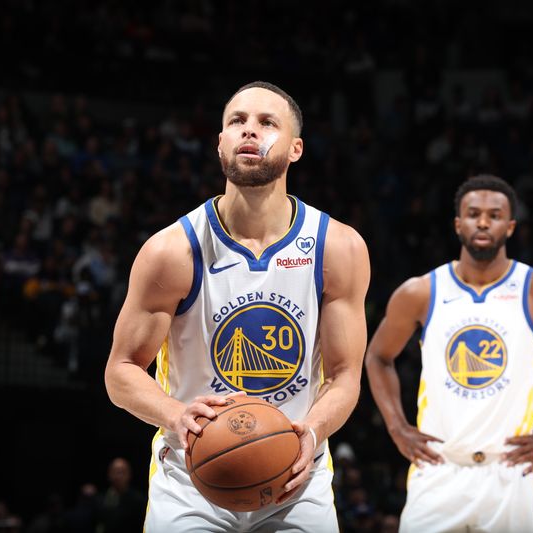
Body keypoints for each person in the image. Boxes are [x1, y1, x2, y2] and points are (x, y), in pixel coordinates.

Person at [104, 81, 370, 532]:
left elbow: (345, 377)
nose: (250, 131)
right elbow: (121, 371)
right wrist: (177, 414)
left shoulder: (337, 247)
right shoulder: (171, 251)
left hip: (296, 470)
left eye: (267, 123)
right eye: (237, 122)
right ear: (220, 143)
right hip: (192, 474)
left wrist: (312, 431)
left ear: (295, 149)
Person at [364, 175, 533, 532]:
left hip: (508, 471)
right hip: (438, 468)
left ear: (510, 226)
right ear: (458, 224)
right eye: (473, 213)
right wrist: (396, 427)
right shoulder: (420, 292)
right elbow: (377, 356)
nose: (483, 221)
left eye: (494, 214)